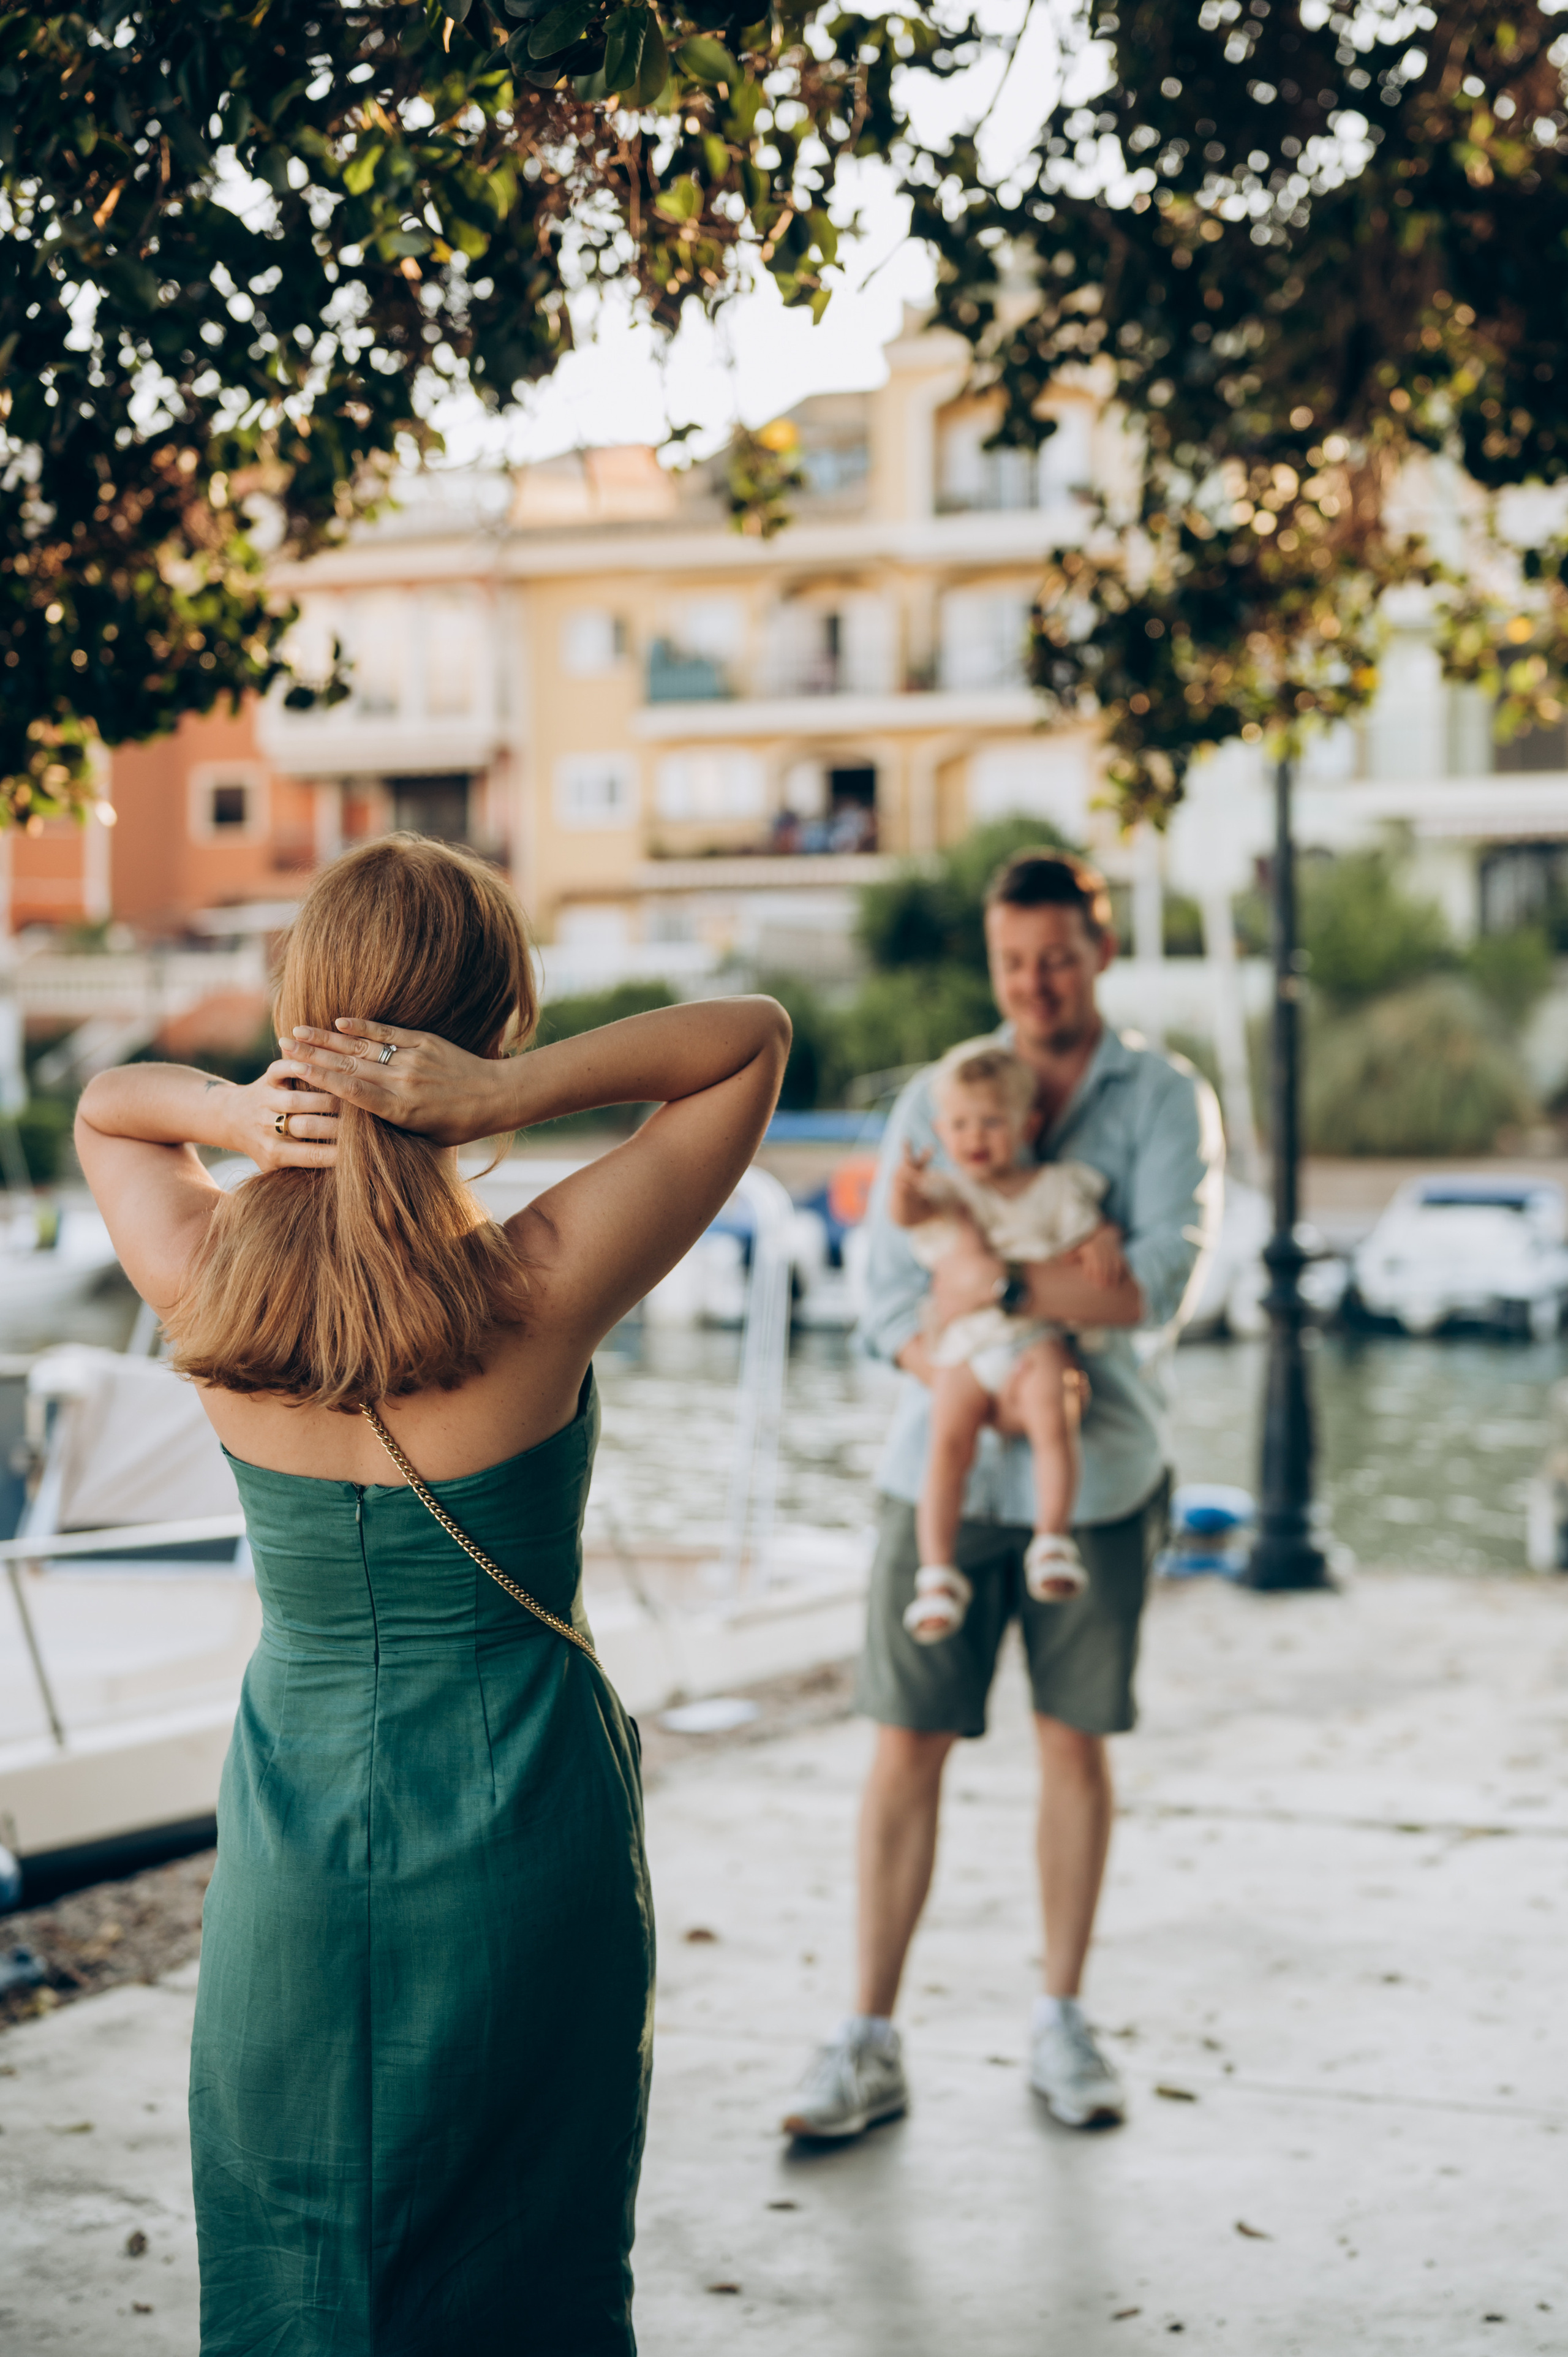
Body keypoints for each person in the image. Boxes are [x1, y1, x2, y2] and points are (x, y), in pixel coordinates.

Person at [75, 836, 790, 2356]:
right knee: (520, 2258)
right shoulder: (539, 1287)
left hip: (295, 1835)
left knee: (299, 2245)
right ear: (499, 1025)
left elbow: (106, 1110)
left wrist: (237, 1109)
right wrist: (496, 1099)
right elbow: (747, 1043)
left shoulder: (203, 1280)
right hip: (520, 1816)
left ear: (302, 1013)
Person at [782, 848, 1219, 2140]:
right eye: (1012, 960)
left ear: (1099, 952)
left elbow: (1146, 1290)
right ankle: (865, 2039)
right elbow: (883, 1312)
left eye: (1058, 957)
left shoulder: (1161, 1098)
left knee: (1072, 1742)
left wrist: (993, 1292)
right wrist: (976, 1345)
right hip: (941, 1468)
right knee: (902, 1742)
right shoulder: (938, 1094)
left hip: (1101, 1471)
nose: (1034, 983)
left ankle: (1061, 2022)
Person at [889, 1035, 1131, 1641]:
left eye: (992, 1122)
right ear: (942, 1131)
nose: (975, 1137)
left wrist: (1101, 1237)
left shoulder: (1054, 1189)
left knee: (1054, 1414)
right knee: (945, 1445)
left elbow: (1085, 1243)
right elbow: (907, 1214)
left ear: (1029, 1123)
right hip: (967, 1346)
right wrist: (904, 1183)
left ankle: (1052, 1539)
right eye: (961, 1124)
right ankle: (937, 1573)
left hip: (1030, 1336)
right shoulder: (948, 1191)